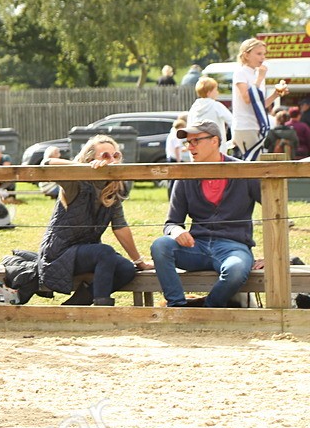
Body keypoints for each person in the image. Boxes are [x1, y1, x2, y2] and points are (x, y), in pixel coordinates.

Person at [150, 121, 261, 308]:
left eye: (195, 141)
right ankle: (178, 306)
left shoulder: (243, 171)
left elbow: (277, 212)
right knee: (160, 246)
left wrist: (271, 257)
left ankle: (206, 307)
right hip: (196, 246)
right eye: (187, 142)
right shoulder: (185, 175)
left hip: (233, 247)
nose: (189, 147)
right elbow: (171, 223)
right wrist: (177, 232)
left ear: (215, 141)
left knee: (236, 269)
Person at [37, 135, 150, 306]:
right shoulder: (76, 182)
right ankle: (102, 307)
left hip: (88, 252)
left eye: (116, 156)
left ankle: (79, 302)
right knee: (104, 252)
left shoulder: (113, 187)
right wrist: (84, 168)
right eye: (105, 156)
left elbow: (120, 227)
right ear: (90, 159)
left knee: (126, 269)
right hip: (59, 253)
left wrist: (139, 262)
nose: (112, 161)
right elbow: (46, 164)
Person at [232, 38, 288, 158]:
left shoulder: (257, 75)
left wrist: (275, 94)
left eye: (264, 54)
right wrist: (259, 79)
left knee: (256, 164)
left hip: (256, 126)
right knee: (253, 165)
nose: (263, 58)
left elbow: (259, 105)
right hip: (245, 126)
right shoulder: (241, 73)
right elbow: (247, 99)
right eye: (258, 54)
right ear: (246, 55)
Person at [187, 76, 233, 149]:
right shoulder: (216, 106)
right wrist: (233, 140)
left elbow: (189, 127)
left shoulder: (194, 108)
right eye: (216, 90)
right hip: (217, 149)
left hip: (198, 148)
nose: (217, 93)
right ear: (209, 93)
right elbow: (232, 121)